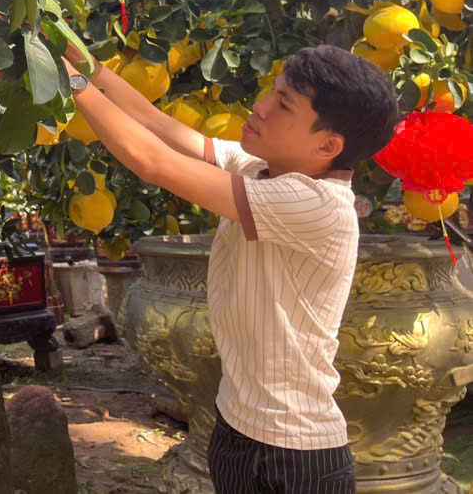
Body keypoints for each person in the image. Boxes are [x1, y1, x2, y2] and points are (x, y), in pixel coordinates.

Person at [61, 43, 400, 494]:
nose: (260, 107)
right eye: (271, 92)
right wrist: (82, 60)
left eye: (283, 104)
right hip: (237, 431)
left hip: (296, 456)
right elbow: (158, 127)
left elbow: (154, 163)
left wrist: (67, 79)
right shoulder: (263, 169)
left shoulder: (318, 205)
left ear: (327, 145)